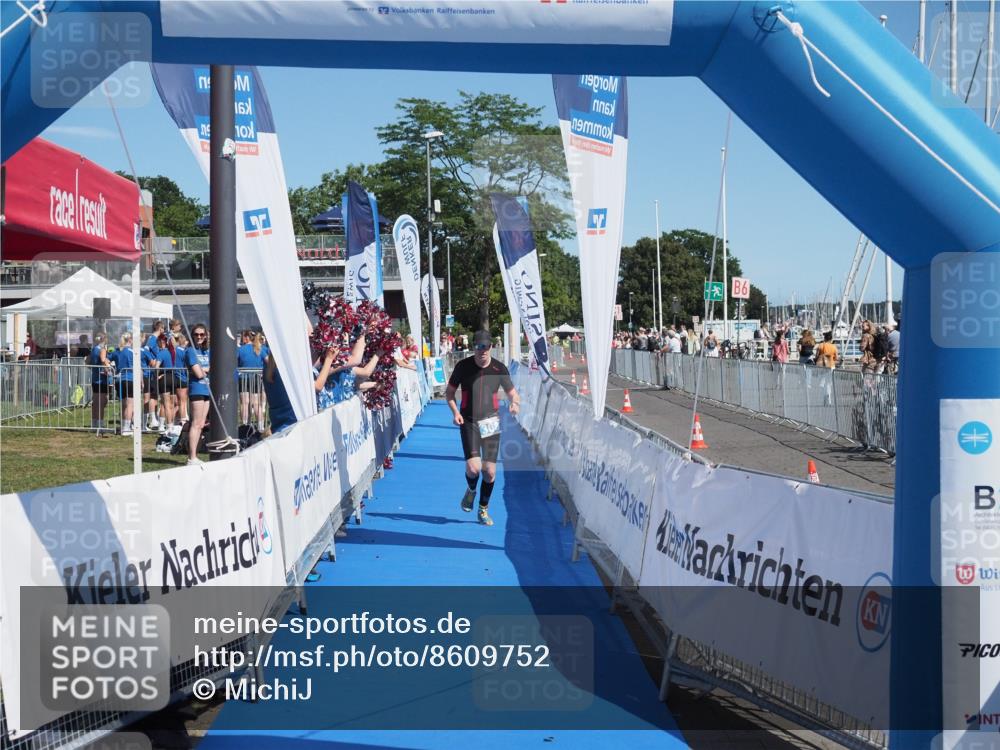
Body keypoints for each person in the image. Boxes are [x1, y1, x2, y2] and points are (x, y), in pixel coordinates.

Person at [445, 330, 520, 527]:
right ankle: (471, 490)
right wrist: (456, 413)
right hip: (468, 420)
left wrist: (515, 404)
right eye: (478, 347)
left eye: (485, 347)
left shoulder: (499, 368)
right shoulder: (463, 366)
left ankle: (483, 508)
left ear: (491, 348)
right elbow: (450, 394)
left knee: (489, 471)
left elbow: (513, 394)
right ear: (473, 348)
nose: (482, 351)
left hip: (490, 422)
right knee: (473, 468)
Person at [184, 324, 211, 465]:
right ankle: (191, 457)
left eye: (202, 334)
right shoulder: (190, 351)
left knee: (201, 424)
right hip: (197, 390)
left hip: (208, 390)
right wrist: (207, 368)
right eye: (196, 334)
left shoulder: (208, 351)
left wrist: (205, 368)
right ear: (192, 336)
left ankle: (195, 456)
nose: (199, 337)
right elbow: (198, 373)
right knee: (195, 423)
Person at [238, 331, 268, 427]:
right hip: (257, 377)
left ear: (246, 337)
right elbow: (268, 361)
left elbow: (233, 362)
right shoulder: (259, 349)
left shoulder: (240, 349)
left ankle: (245, 426)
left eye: (243, 337)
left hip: (244, 378)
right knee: (256, 404)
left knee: (245, 403)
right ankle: (261, 427)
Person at [88, 333, 114, 434]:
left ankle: (94, 424)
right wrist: (109, 369)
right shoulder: (102, 349)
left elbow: (88, 361)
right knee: (101, 402)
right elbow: (103, 360)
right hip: (101, 379)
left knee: (96, 402)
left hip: (95, 378)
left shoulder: (94, 349)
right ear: (105, 339)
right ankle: (100, 425)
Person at [155, 332, 178, 433]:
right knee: (171, 405)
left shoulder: (162, 353)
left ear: (161, 341)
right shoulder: (172, 351)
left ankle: (168, 427)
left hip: (165, 378)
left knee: (166, 405)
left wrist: (157, 376)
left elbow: (156, 366)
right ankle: (171, 425)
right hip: (173, 377)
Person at [175, 333, 190, 424]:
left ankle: (178, 419)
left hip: (175, 376)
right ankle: (183, 420)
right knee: (182, 401)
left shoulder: (174, 350)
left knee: (177, 401)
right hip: (182, 377)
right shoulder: (183, 351)